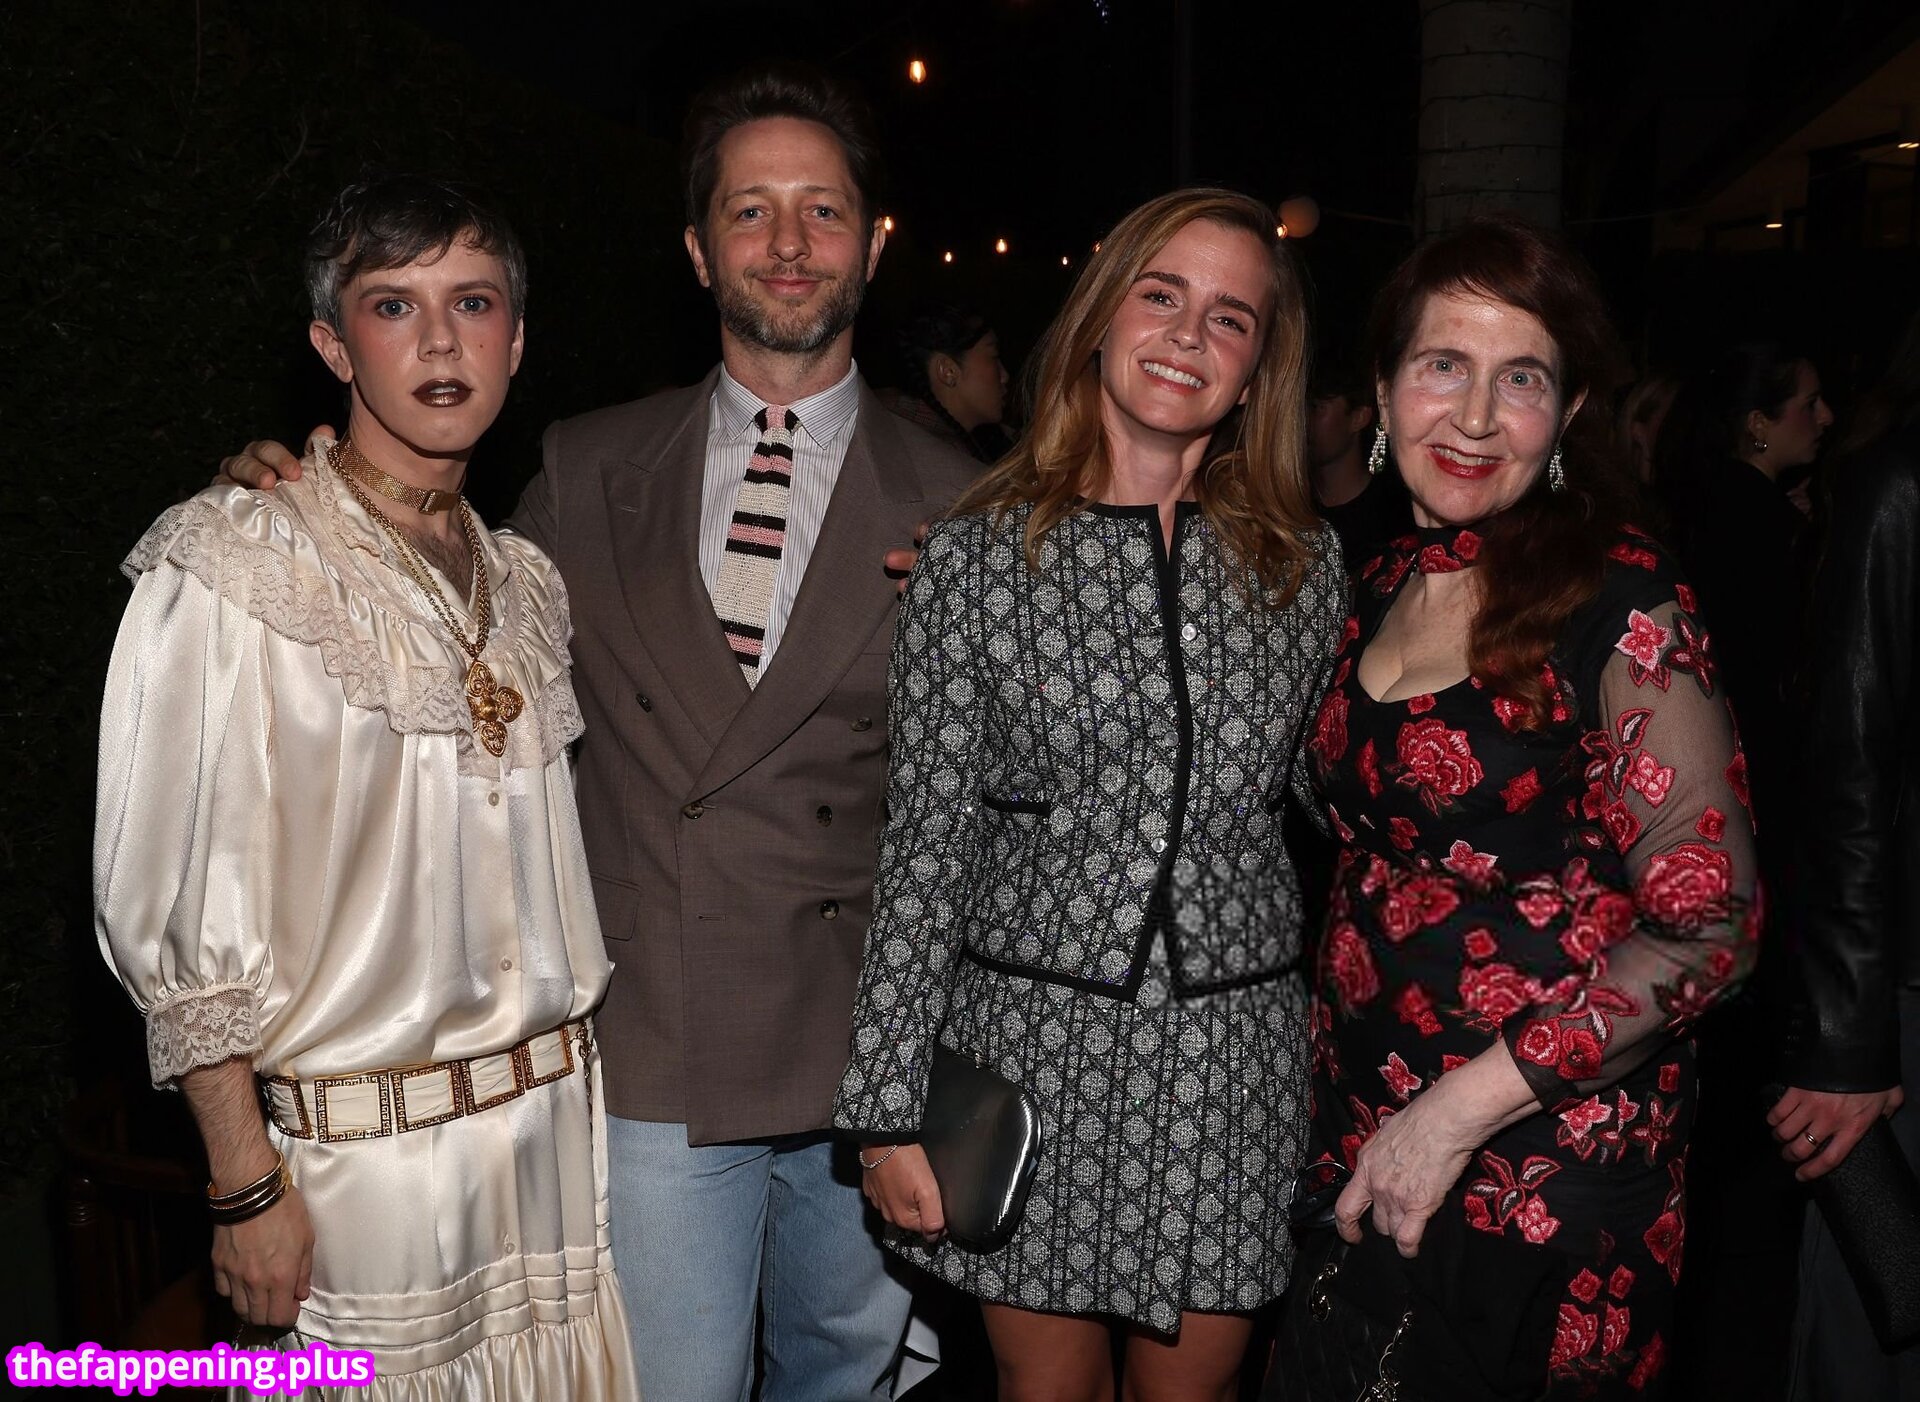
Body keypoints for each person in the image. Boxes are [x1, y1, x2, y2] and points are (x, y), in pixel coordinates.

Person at [217, 64, 979, 1402]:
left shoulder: (970, 502)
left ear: (873, 244)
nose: (788, 242)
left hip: (874, 1055)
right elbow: (447, 638)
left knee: (846, 1385)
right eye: (750, 211)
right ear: (698, 250)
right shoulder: (588, 461)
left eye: (821, 210)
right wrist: (308, 508)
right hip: (654, 1041)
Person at [95, 176, 638, 1397]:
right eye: (394, 305)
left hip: (557, 1155)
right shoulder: (238, 560)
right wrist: (244, 1184)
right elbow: (179, 897)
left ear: (516, 339)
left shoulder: (529, 581)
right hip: (364, 1176)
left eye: (473, 303)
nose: (441, 340)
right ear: (333, 346)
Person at [832, 187, 1347, 1401]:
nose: (1188, 334)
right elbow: (925, 848)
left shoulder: (1305, 565)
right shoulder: (974, 557)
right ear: (1103, 315)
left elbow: (1348, 804)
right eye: (1161, 294)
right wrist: (885, 1109)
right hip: (1031, 1051)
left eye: (1230, 318)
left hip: (1231, 1062)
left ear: (1259, 368)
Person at [1268, 216, 1758, 1399]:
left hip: (1541, 1178)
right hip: (1359, 1135)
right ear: (1383, 389)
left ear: (1568, 412)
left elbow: (1714, 930)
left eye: (1522, 377)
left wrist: (1449, 1116)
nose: (1478, 416)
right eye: (1444, 365)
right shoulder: (1379, 579)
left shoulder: (1622, 601)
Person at [1771, 306, 1920, 1400]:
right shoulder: (1900, 484)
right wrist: (1848, 1049)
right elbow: (1850, 774)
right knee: (1879, 1335)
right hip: (1905, 998)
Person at [1655, 342, 1832, 835]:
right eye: (1809, 404)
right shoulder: (1759, 521)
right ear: (1758, 424)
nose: (1826, 417)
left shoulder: (1713, 500)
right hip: (1761, 756)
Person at [1306, 360, 1413, 561]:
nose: (1303, 421)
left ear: (1359, 418)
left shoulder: (1394, 518)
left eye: (1316, 407)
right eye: (1300, 409)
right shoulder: (1290, 506)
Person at [882, 302, 1013, 462]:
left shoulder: (892, 421)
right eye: (994, 357)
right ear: (948, 371)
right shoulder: (940, 457)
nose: (1004, 376)